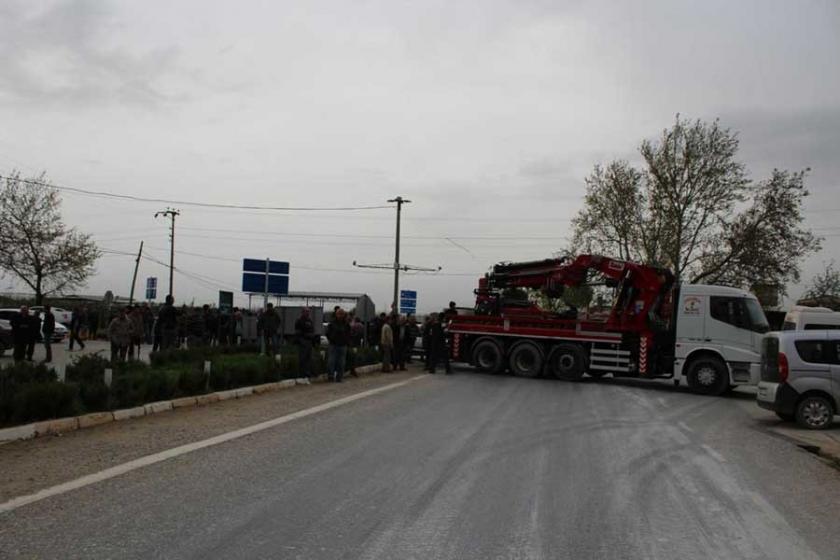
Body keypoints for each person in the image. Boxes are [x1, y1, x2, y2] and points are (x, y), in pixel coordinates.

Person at [326, 308, 351, 382]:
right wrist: (331, 339)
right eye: (339, 314)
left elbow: (349, 333)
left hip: (342, 345)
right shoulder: (332, 323)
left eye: (342, 314)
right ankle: (330, 376)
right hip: (333, 345)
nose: (340, 315)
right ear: (336, 314)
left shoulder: (346, 324)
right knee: (331, 361)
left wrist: (346, 341)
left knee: (341, 363)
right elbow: (327, 333)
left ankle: (339, 377)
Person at [295, 308, 315, 378]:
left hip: (309, 341)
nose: (308, 313)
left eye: (308, 312)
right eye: (306, 312)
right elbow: (298, 331)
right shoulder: (299, 320)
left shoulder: (310, 321)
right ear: (302, 312)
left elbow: (312, 329)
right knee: (302, 358)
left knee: (309, 358)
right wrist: (301, 339)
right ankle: (301, 374)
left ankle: (307, 373)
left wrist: (312, 336)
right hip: (303, 340)